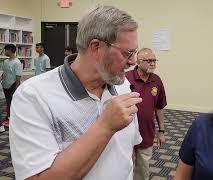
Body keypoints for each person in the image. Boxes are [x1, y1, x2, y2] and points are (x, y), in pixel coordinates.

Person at [9, 5, 143, 180]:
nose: (133, 61)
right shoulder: (32, 96)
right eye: (127, 53)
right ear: (95, 47)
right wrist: (105, 126)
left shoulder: (123, 84)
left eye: (135, 52)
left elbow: (126, 151)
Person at [126, 48, 167, 180]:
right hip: (127, 133)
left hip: (147, 132)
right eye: (149, 60)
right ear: (138, 61)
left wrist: (161, 131)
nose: (153, 63)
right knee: (125, 167)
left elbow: (159, 108)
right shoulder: (126, 79)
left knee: (143, 168)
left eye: (154, 60)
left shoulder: (157, 80)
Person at [1, 44, 22, 127]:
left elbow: (18, 75)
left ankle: (13, 119)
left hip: (12, 85)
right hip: (5, 85)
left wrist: (17, 87)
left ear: (10, 50)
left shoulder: (17, 62)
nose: (5, 51)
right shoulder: (5, 61)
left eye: (6, 50)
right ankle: (8, 116)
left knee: (12, 102)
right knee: (7, 102)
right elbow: (4, 72)